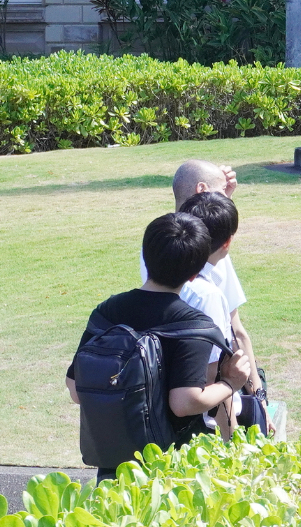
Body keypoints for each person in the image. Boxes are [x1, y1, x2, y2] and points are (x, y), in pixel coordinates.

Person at [67, 213, 251, 481]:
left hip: (114, 463)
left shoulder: (107, 311)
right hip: (171, 467)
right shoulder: (194, 325)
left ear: (146, 255)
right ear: (194, 273)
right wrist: (231, 383)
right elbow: (185, 402)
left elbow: (75, 389)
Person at [177, 191, 244, 436]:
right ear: (227, 242)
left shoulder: (166, 274)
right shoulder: (208, 295)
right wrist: (233, 440)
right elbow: (212, 376)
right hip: (201, 428)